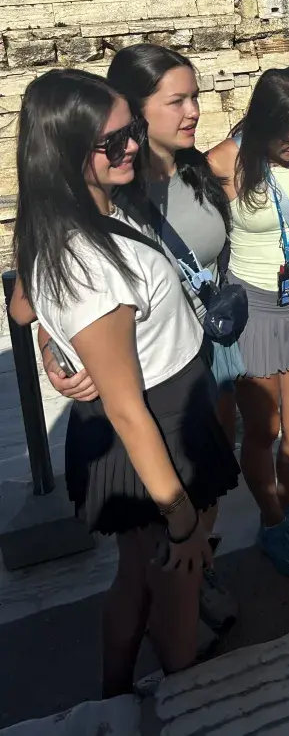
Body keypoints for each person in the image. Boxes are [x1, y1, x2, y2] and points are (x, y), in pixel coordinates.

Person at [10, 69, 239, 695]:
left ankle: (114, 695)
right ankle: (185, 697)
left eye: (130, 130)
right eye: (113, 142)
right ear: (66, 153)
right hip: (159, 430)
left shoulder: (64, 216)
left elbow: (24, 307)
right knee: (176, 580)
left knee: (138, 577)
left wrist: (54, 347)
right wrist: (182, 516)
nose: (131, 147)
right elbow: (128, 410)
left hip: (157, 413)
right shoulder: (88, 261)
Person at [207, 68, 289, 577]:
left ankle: (280, 509)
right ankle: (274, 517)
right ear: (263, 126)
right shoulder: (224, 162)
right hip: (254, 306)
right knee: (265, 428)